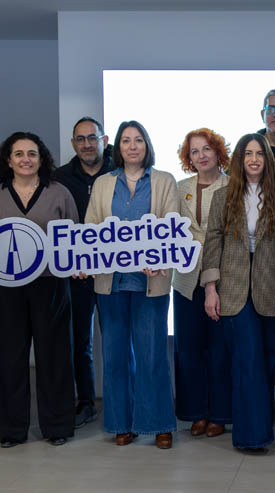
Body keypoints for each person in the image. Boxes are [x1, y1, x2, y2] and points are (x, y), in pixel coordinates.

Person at [201, 133, 275, 453]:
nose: (254, 159)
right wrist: (210, 289)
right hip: (233, 287)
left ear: (268, 160)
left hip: (270, 287)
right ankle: (250, 435)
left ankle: (258, 429)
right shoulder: (223, 196)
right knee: (248, 360)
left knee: (267, 358)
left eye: (260, 154)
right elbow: (213, 243)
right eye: (248, 154)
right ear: (240, 160)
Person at [85, 120, 179, 449]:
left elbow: (172, 228)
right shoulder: (102, 184)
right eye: (126, 140)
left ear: (147, 145)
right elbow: (90, 229)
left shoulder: (165, 181)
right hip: (111, 285)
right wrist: (85, 261)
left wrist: (161, 258)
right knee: (114, 356)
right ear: (117, 148)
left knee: (152, 354)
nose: (132, 146)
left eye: (138, 140)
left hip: (150, 284)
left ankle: (159, 423)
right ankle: (120, 423)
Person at [0, 132, 78, 448]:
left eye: (32, 153)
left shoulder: (59, 193)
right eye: (19, 153)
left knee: (54, 355)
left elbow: (73, 239)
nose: (26, 159)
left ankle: (58, 426)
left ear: (42, 158)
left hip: (51, 284)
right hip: (8, 288)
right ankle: (11, 428)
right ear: (8, 159)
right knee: (10, 356)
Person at [52, 116, 116, 428]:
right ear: (73, 143)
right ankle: (86, 402)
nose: (87, 144)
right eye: (81, 139)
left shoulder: (122, 171)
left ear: (104, 140)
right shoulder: (59, 177)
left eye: (93, 138)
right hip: (76, 275)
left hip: (116, 273)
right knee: (80, 342)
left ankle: (121, 400)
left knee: (117, 338)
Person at [172, 128, 230, 438]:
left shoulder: (232, 185)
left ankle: (219, 413)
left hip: (222, 278)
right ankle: (195, 412)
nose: (201, 155)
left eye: (206, 149)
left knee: (219, 350)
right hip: (184, 279)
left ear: (218, 151)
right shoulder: (180, 188)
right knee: (189, 348)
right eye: (194, 151)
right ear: (188, 157)